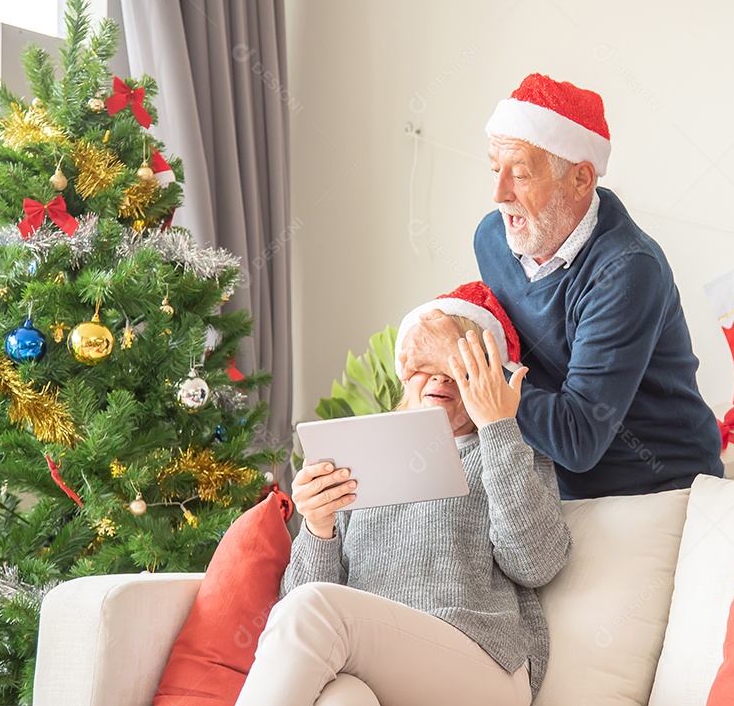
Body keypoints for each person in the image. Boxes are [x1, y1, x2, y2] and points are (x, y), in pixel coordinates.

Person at [236, 283, 571, 706]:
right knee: (341, 699)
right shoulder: (361, 457)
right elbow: (298, 613)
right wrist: (319, 529)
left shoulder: (508, 453)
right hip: (374, 667)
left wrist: (497, 428)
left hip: (483, 666)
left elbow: (536, 564)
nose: (439, 378)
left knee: (317, 610)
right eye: (426, 365)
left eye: (458, 368)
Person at [399, 73, 723, 500]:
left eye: (520, 175)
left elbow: (578, 437)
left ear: (581, 180)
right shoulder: (493, 239)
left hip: (654, 489)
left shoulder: (626, 271)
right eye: (496, 170)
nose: (499, 193)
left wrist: (455, 356)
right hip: (553, 486)